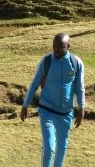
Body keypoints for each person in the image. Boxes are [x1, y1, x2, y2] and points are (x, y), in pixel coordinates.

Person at [20, 33, 85, 167]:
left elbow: (79, 87)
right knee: (49, 148)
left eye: (60, 47)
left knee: (62, 148)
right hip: (47, 110)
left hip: (66, 113)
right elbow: (34, 84)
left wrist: (81, 108)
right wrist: (25, 105)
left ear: (68, 46)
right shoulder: (46, 61)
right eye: (54, 46)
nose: (56, 49)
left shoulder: (76, 63)